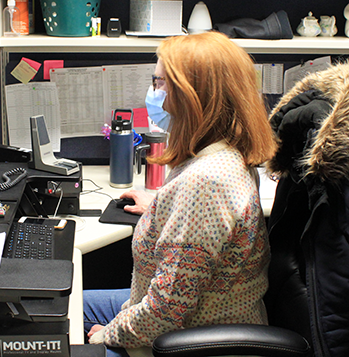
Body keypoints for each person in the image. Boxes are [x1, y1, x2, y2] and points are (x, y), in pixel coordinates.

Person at [83, 31, 278, 357]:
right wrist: (162, 209)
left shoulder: (205, 185)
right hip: (197, 312)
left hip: (190, 337)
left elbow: (166, 311)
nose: (153, 93)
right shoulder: (226, 154)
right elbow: (201, 233)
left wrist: (105, 336)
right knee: (66, 301)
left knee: (54, 321)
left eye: (160, 83)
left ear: (192, 97)